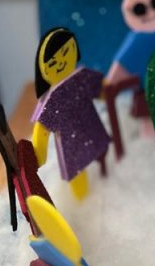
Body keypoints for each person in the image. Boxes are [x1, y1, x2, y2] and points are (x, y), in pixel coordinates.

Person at [31, 27, 110, 200]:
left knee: (102, 153)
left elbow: (103, 89)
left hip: (91, 126)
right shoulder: (52, 99)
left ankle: (105, 178)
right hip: (70, 144)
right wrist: (39, 154)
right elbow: (42, 128)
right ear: (44, 70)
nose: (61, 63)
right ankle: (84, 200)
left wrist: (110, 93)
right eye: (53, 63)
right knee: (79, 176)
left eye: (66, 52)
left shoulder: (82, 76)